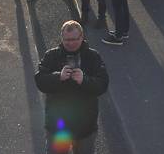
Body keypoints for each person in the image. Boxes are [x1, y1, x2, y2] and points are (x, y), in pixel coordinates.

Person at [35, 20, 111, 154]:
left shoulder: (93, 57)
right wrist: (58, 77)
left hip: (84, 126)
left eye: (74, 39)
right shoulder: (51, 55)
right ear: (62, 38)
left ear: (82, 37)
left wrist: (84, 80)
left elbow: (102, 85)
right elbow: (40, 81)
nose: (70, 43)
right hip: (58, 125)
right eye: (67, 39)